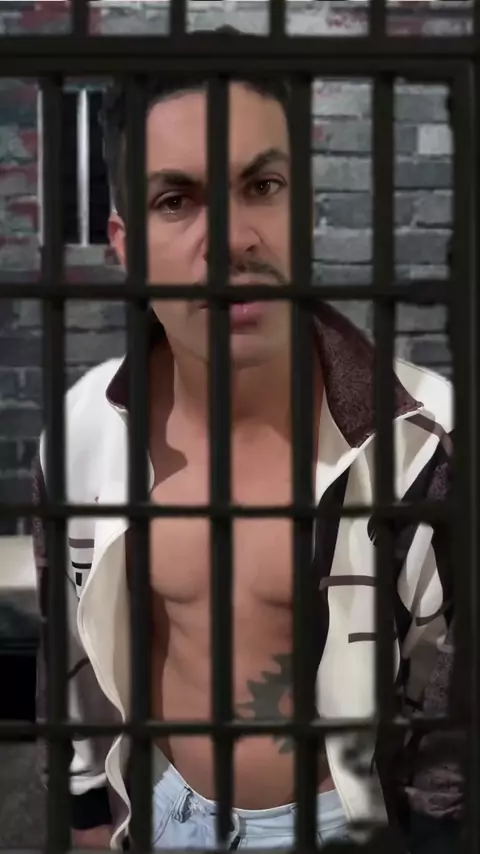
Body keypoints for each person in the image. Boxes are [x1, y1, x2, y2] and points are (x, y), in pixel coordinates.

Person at [31, 25, 462, 852]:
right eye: (176, 200)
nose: (231, 237)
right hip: (155, 807)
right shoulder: (84, 430)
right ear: (128, 247)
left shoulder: (428, 442)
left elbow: (452, 712)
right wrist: (86, 812)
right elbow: (70, 647)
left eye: (262, 185)